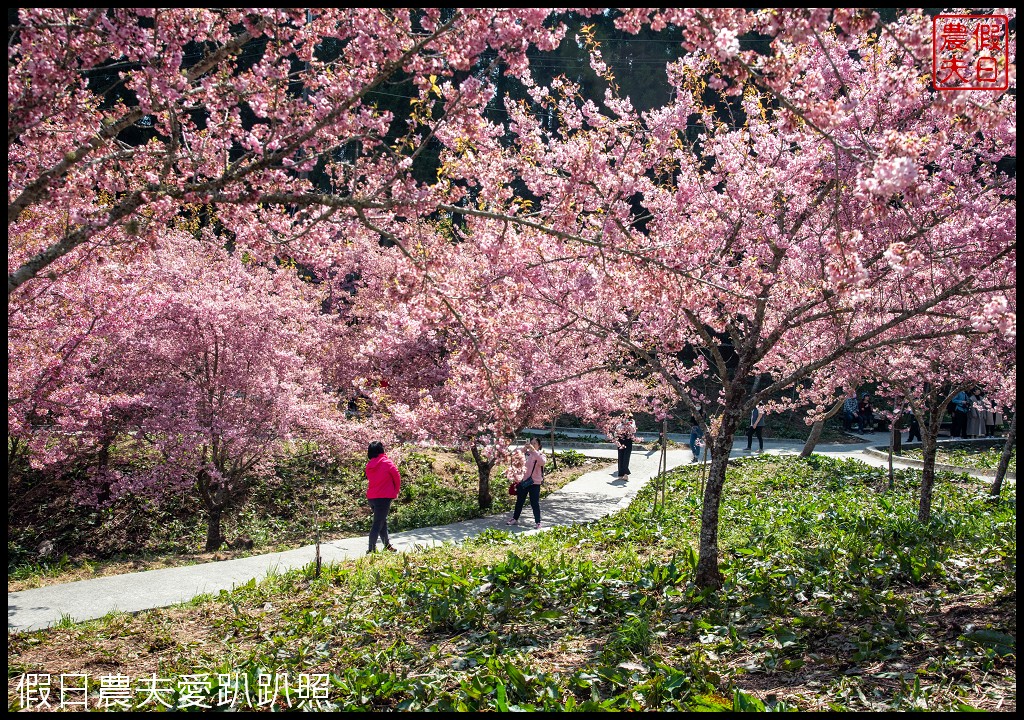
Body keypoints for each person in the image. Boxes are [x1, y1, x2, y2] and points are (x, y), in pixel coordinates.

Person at [365, 440, 400, 554]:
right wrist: (395, 491)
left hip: (372, 498)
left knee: (382, 522)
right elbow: (397, 477)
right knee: (378, 523)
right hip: (383, 497)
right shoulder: (387, 463)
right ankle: (371, 549)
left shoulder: (369, 465)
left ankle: (387, 545)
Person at [507, 437, 544, 529]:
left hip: (534, 482)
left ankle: (538, 522)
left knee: (534, 502)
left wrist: (534, 451)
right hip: (523, 481)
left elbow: (542, 462)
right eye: (531, 443)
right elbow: (515, 454)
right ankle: (515, 518)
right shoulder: (525, 454)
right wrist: (524, 448)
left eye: (535, 443)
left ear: (539, 446)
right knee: (519, 501)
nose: (532, 445)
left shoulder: (540, 454)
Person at [613, 412, 638, 479]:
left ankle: (625, 473)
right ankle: (620, 474)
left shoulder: (632, 423)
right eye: (624, 418)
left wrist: (629, 424)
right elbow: (616, 432)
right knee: (620, 456)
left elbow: (633, 430)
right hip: (620, 440)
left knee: (626, 456)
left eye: (627, 418)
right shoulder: (619, 424)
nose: (625, 419)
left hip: (628, 440)